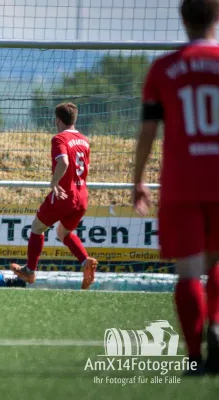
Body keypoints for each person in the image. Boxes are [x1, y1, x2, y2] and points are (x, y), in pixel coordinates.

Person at [132, 0, 219, 376]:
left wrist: (138, 180)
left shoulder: (164, 68)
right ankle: (216, 323)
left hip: (182, 182)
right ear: (217, 17)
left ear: (182, 19)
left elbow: (148, 131)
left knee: (188, 272)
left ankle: (194, 357)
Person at [10, 102, 98, 290]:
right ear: (75, 119)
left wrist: (54, 182)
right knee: (63, 233)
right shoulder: (84, 140)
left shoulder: (59, 138)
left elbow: (64, 162)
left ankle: (30, 271)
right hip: (82, 196)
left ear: (57, 120)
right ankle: (85, 261)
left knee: (37, 227)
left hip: (64, 195)